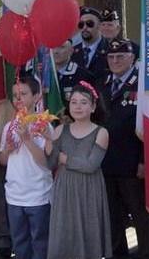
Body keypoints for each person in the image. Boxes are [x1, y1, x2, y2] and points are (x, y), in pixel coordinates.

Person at [99, 38, 149, 259]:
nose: (115, 61)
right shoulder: (103, 83)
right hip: (107, 160)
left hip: (132, 162)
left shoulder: (142, 84)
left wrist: (143, 160)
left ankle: (145, 252)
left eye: (120, 56)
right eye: (111, 57)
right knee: (113, 213)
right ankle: (118, 252)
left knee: (139, 212)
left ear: (132, 58)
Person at [47, 81, 111, 259]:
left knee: (88, 235)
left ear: (93, 107)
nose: (77, 106)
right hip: (64, 189)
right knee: (63, 236)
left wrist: (64, 158)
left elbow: (90, 165)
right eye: (73, 102)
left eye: (83, 102)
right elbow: (50, 163)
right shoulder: (60, 129)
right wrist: (47, 142)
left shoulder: (101, 132)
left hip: (88, 189)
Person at [0, 76, 55, 259]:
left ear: (37, 96)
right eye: (15, 95)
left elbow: (46, 163)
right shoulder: (9, 126)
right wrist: (7, 150)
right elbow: (3, 161)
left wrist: (27, 140)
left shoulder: (44, 125)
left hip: (38, 195)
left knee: (40, 243)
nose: (18, 99)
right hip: (14, 194)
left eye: (23, 94)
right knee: (20, 243)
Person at [72, 6, 111, 82]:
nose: (84, 28)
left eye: (89, 24)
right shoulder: (72, 52)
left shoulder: (110, 50)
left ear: (100, 26)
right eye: (81, 24)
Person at [53, 39, 93, 106]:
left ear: (71, 51)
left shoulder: (83, 76)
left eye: (61, 47)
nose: (56, 51)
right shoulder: (44, 75)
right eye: (53, 47)